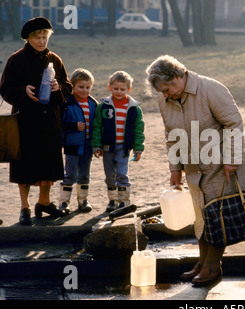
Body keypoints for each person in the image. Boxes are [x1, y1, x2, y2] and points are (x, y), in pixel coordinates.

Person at [146, 55, 245, 287]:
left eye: (166, 89)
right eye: (161, 92)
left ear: (178, 77)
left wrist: (231, 159)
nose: (165, 95)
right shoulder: (166, 99)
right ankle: (203, 262)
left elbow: (233, 123)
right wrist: (175, 168)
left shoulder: (211, 89)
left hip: (221, 165)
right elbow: (170, 136)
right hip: (195, 168)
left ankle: (212, 266)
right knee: (201, 218)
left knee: (217, 216)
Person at [0, 17, 72, 225]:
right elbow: (5, 88)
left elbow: (67, 86)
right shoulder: (16, 60)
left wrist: (60, 89)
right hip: (25, 120)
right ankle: (25, 207)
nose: (41, 41)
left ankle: (45, 202)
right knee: (24, 164)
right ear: (28, 38)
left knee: (48, 162)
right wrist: (23, 91)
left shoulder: (55, 60)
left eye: (44, 37)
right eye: (37, 37)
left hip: (50, 120)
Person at [91, 71, 145, 212]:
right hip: (108, 146)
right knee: (110, 175)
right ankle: (112, 201)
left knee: (122, 173)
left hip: (124, 147)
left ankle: (124, 202)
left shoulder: (134, 109)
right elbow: (97, 126)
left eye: (122, 89)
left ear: (129, 89)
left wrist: (138, 148)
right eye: (116, 88)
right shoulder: (103, 106)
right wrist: (96, 145)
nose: (119, 92)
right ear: (110, 87)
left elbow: (139, 130)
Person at [59, 69, 98, 214]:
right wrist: (73, 126)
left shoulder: (93, 104)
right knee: (70, 174)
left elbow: (98, 126)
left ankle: (83, 201)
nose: (84, 90)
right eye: (81, 87)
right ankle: (64, 202)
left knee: (84, 174)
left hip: (88, 145)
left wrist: (96, 145)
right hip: (72, 144)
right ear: (73, 87)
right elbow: (59, 123)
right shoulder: (67, 103)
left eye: (88, 87)